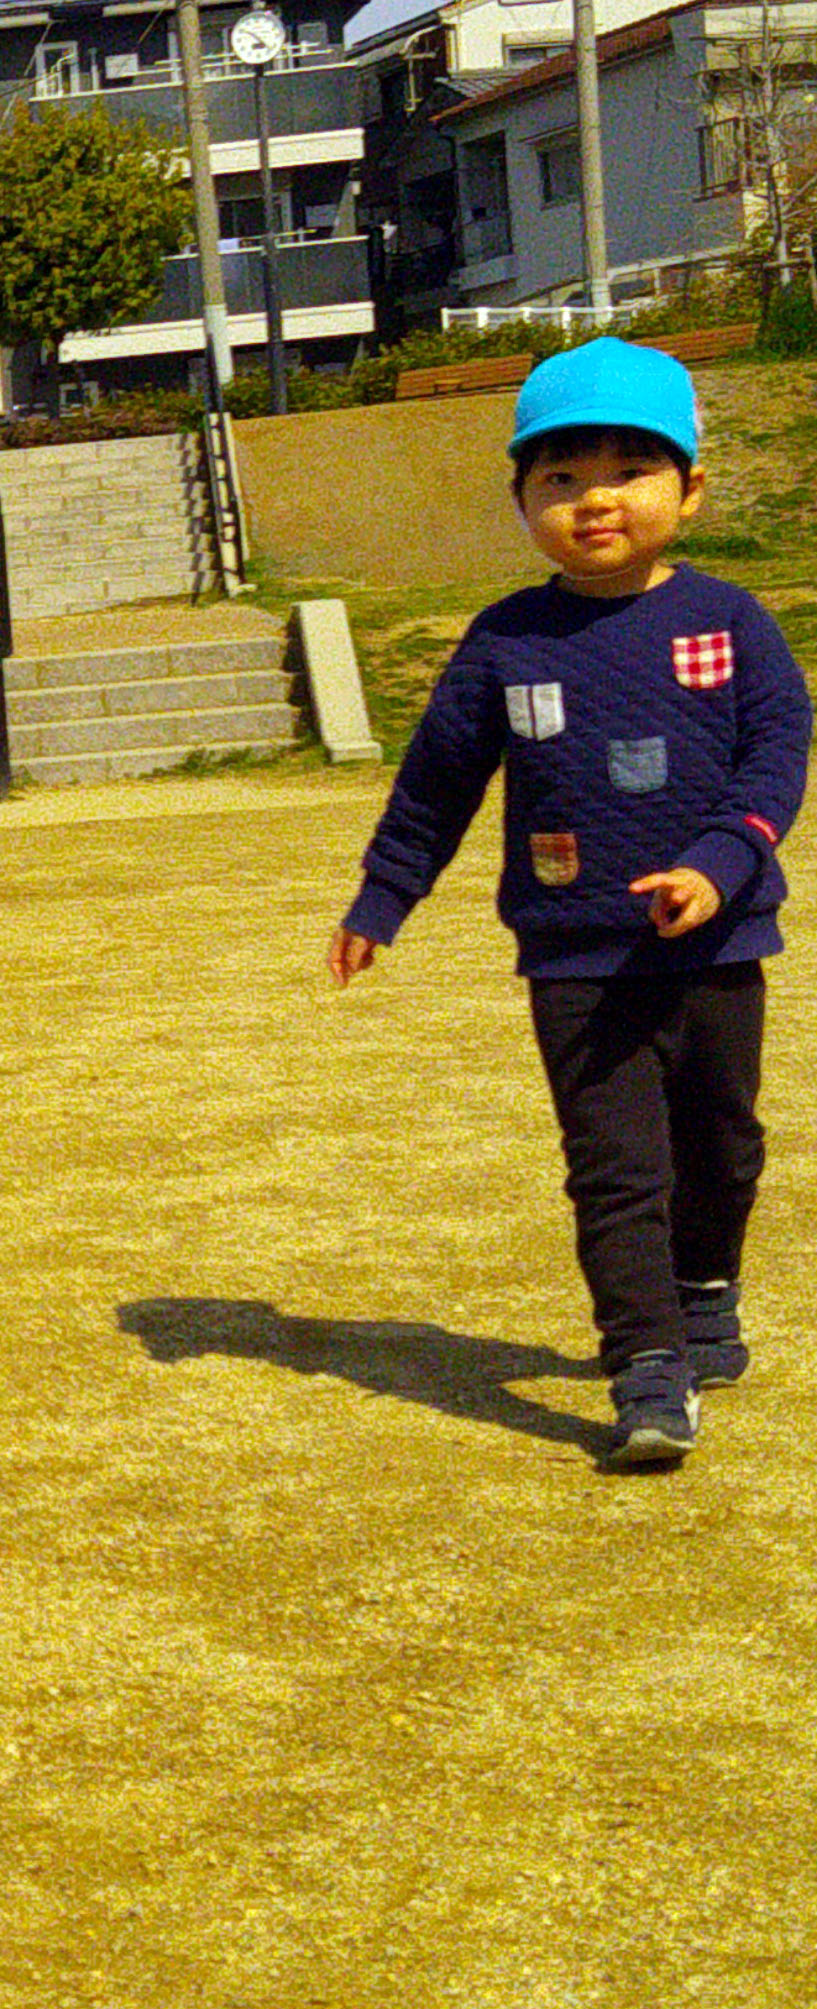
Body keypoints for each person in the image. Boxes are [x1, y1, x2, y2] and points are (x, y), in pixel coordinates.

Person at [327, 336, 809, 1466]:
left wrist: (718, 864)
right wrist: (381, 896)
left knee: (723, 1147)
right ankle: (645, 1366)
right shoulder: (504, 641)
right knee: (614, 1169)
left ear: (688, 490)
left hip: (713, 948)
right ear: (520, 499)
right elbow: (435, 783)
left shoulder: (729, 622)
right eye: (560, 475)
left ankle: (704, 1287)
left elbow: (775, 755)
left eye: (628, 470)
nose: (594, 498)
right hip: (573, 957)